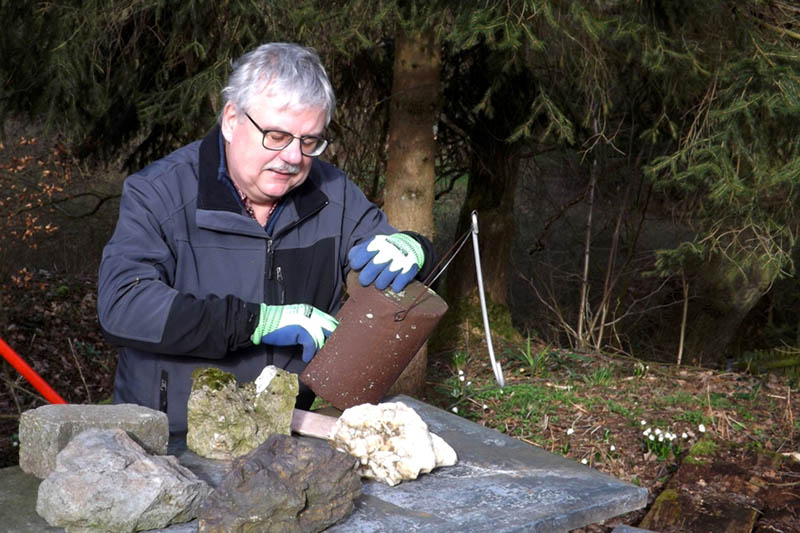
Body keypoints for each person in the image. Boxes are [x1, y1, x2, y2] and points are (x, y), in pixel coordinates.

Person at [97, 42, 435, 434]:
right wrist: (255, 321)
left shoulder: (334, 195)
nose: (293, 156)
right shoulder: (159, 192)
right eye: (276, 135)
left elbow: (393, 278)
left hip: (284, 429)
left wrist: (415, 250)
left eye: (309, 141)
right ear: (230, 119)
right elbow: (123, 304)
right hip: (173, 435)